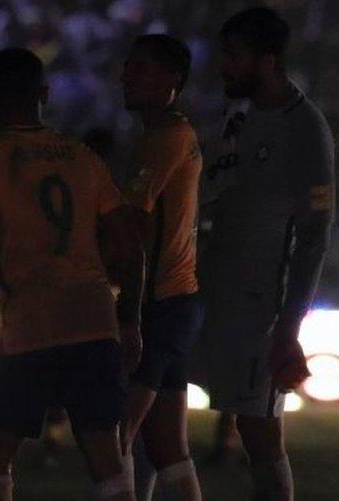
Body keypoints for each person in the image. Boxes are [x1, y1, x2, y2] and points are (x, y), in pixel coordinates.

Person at [0, 48, 144, 501]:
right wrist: (129, 315)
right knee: (106, 462)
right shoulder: (83, 157)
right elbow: (128, 238)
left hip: (30, 322)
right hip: (92, 318)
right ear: (44, 93)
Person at [200, 7, 334, 500]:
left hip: (258, 306)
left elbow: (315, 235)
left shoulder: (306, 130)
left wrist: (288, 328)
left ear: (268, 60)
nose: (224, 66)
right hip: (207, 289)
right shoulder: (238, 114)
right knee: (154, 409)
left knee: (259, 435)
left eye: (234, 56)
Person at [118, 34, 204, 501]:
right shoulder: (174, 134)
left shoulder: (165, 139)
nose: (126, 76)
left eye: (141, 68)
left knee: (115, 439)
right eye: (128, 66)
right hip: (178, 302)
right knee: (169, 449)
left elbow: (133, 233)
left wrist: (129, 316)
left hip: (158, 304)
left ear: (173, 79)